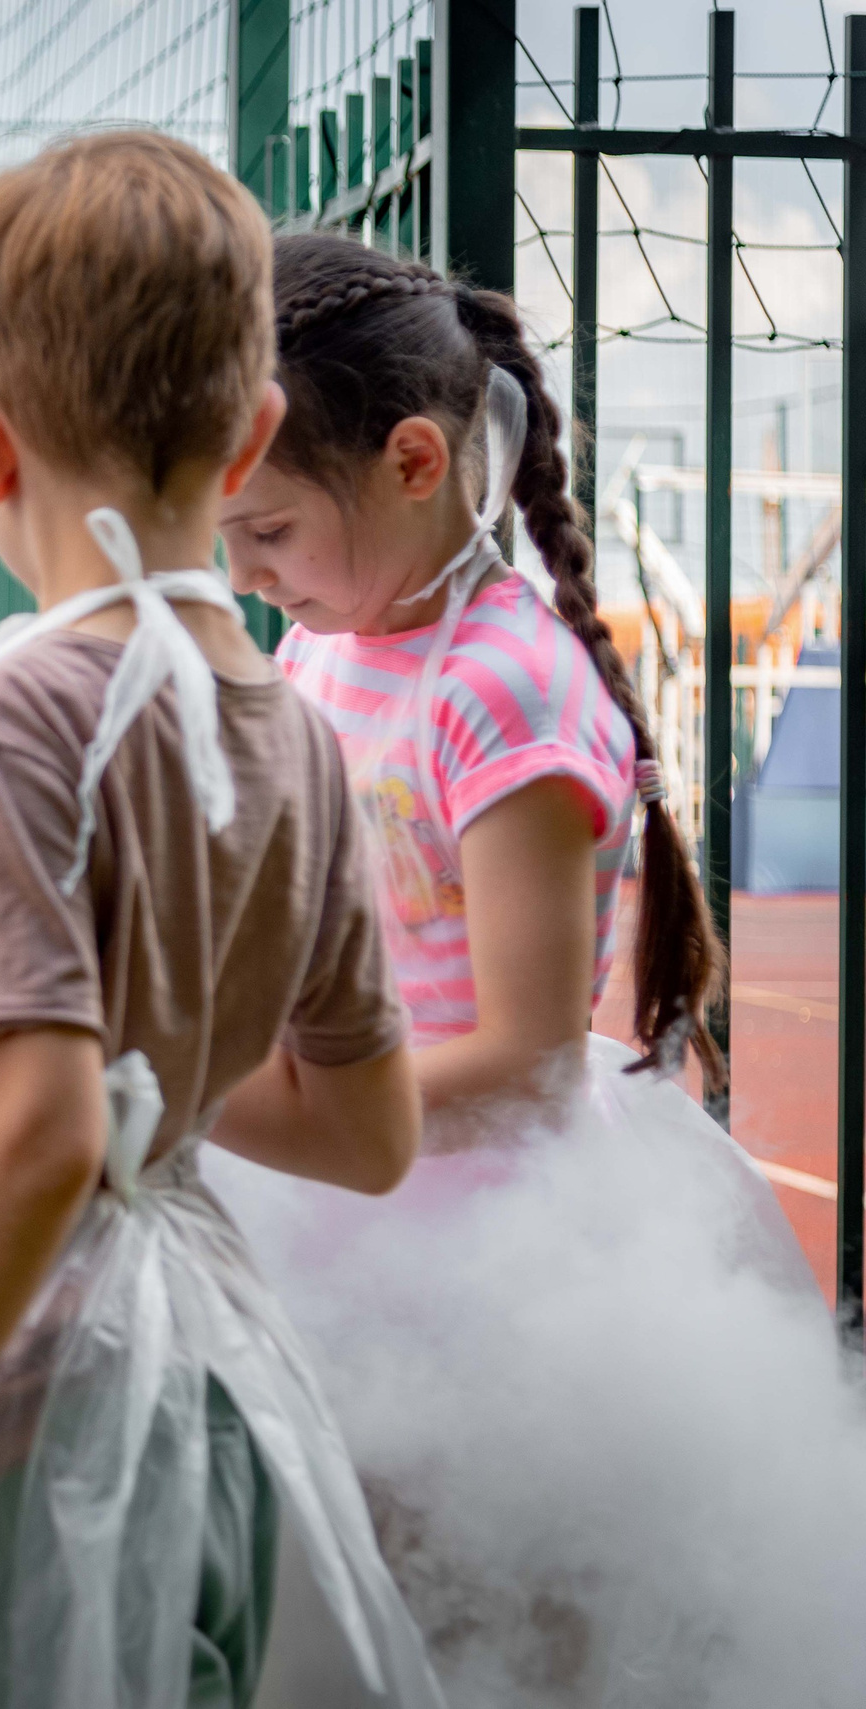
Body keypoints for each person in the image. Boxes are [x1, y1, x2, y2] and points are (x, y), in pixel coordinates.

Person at [0, 133, 445, 1708]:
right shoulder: (292, 733)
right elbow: (369, 1131)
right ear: (254, 428)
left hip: (20, 1425)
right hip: (213, 1381)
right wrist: (154, 1079)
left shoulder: (9, 718)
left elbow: (43, 1133)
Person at [209, 231, 835, 1699]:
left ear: (417, 461)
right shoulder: (326, 645)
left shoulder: (505, 689)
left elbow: (525, 1059)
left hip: (479, 1265)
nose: (246, 573)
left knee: (488, 1638)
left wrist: (211, 1094)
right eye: (226, 537)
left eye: (271, 531)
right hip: (336, 1196)